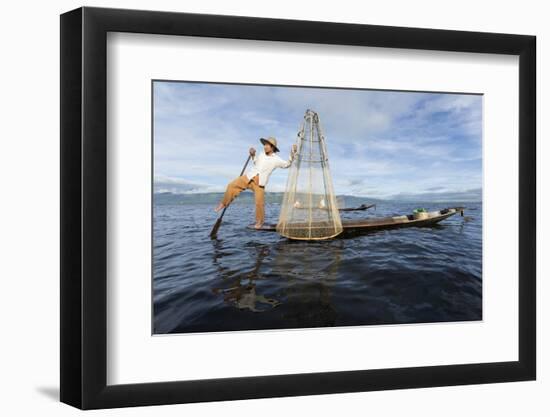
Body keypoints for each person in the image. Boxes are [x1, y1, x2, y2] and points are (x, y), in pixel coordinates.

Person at [214, 137, 297, 229]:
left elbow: (287, 164)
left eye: (267, 145)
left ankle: (259, 222)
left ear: (272, 147)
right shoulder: (261, 154)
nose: (265, 147)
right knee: (231, 185)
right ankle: (223, 203)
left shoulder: (276, 159)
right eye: (264, 144)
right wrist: (253, 155)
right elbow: (255, 162)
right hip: (249, 177)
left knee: (259, 203)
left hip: (259, 183)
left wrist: (292, 153)